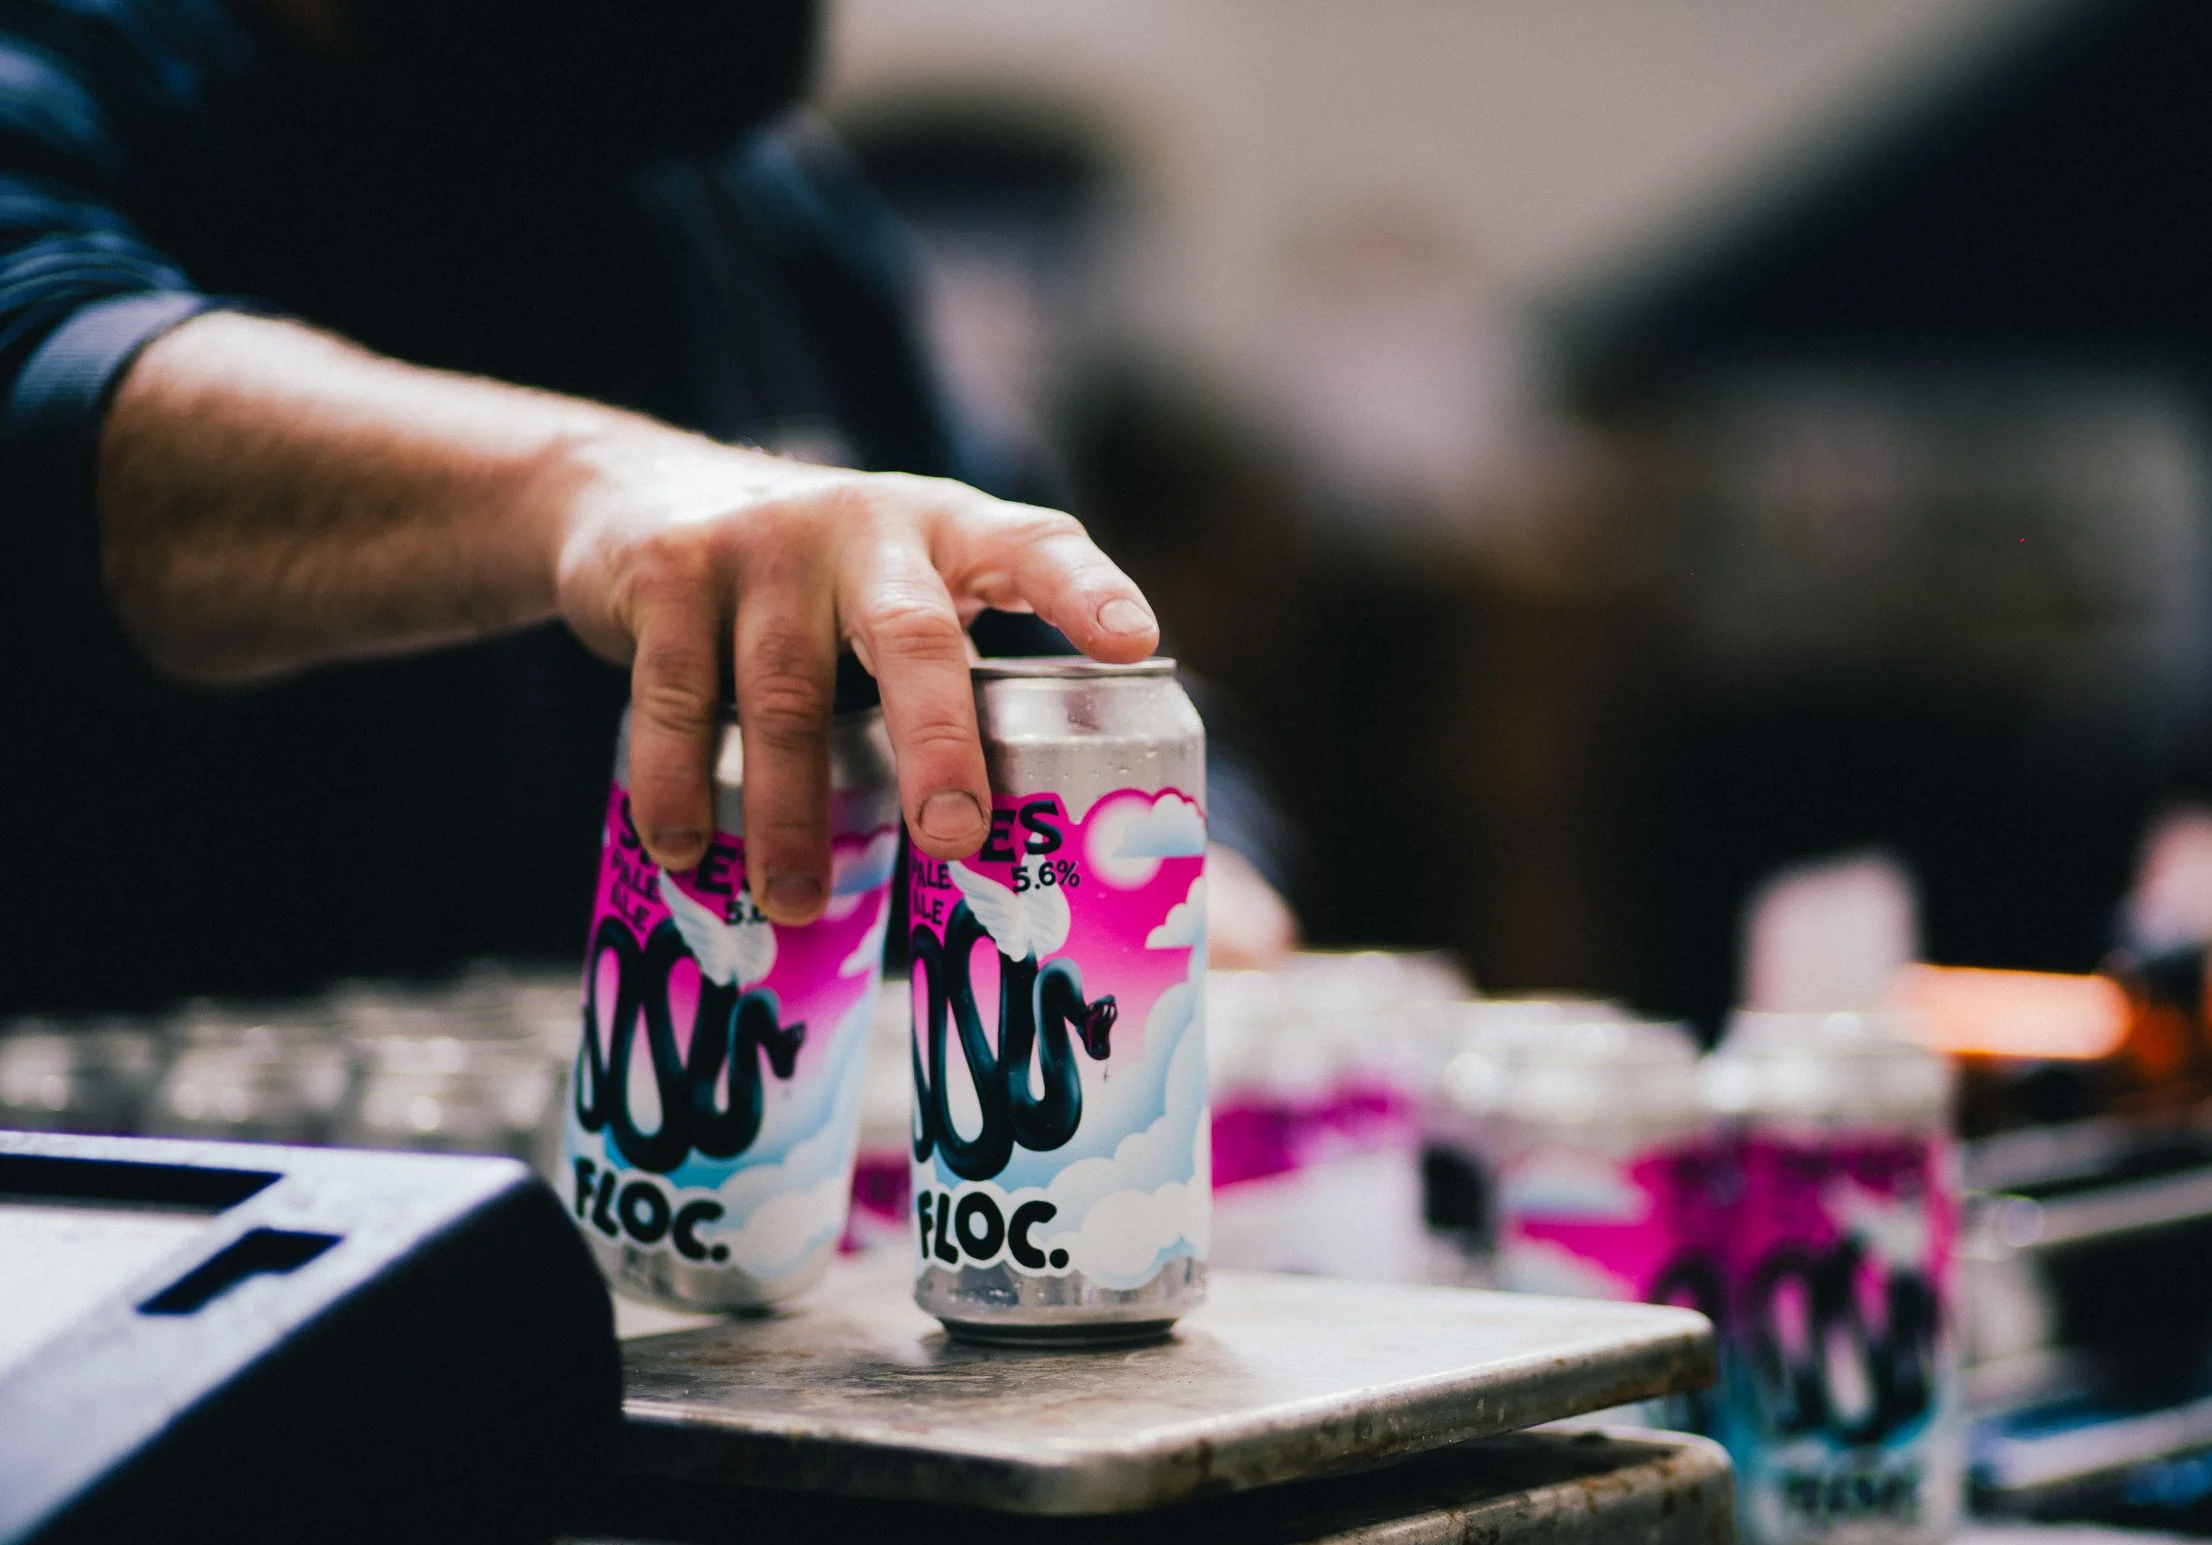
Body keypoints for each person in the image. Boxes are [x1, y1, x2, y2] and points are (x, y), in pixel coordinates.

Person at [0, 0, 1289, 1011]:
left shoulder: (751, 202)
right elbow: (44, 382)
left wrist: (1192, 870)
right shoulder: (76, 77)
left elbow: (1058, 635)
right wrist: (595, 494)